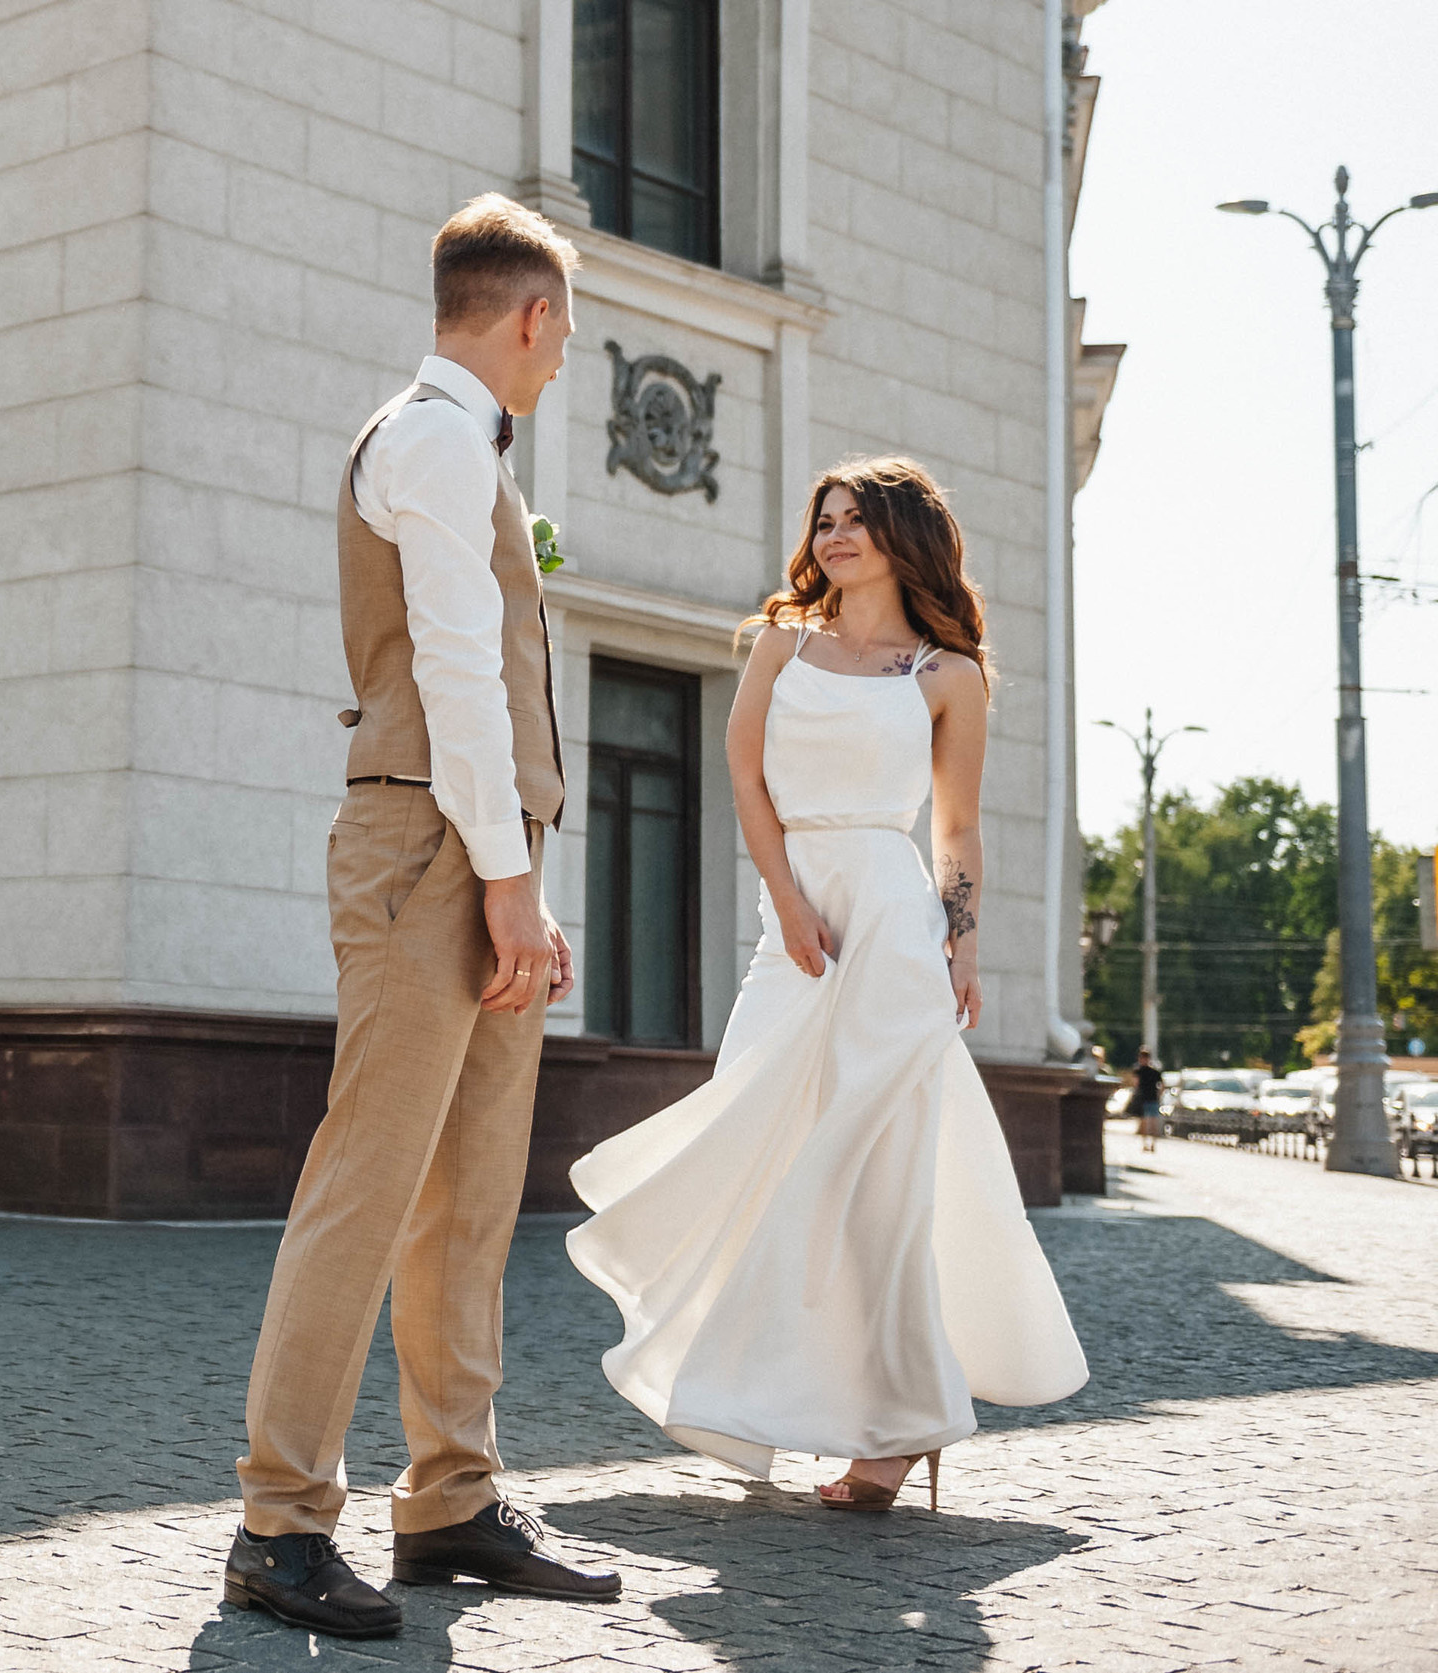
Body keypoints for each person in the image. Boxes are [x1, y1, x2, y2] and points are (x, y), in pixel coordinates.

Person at [223, 195, 621, 1641]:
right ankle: (280, 1522)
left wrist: (523, 878)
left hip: (473, 844)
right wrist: (507, 881)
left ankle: (451, 1499)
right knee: (371, 1177)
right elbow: (456, 669)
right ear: (528, 318)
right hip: (424, 847)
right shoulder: (439, 441)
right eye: (564, 331)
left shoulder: (461, 450)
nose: (563, 358)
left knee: (467, 1192)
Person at [564, 457, 1089, 1514]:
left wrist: (964, 951)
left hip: (895, 929)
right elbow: (745, 778)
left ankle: (896, 1428)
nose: (836, 533)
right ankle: (762, 1388)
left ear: (903, 535)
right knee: (758, 1148)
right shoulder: (780, 642)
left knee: (874, 1185)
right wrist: (787, 902)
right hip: (793, 928)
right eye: (826, 518)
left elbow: (955, 827)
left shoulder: (946, 676)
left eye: (857, 518)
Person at [1132, 1047, 1165, 1153]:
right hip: (1143, 1099)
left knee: (1153, 1123)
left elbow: (1162, 1084)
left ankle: (1152, 1144)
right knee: (1144, 1123)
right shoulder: (1138, 1071)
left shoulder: (1154, 1072)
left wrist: (1159, 1094)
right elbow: (1135, 1084)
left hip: (1152, 1099)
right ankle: (1145, 1144)